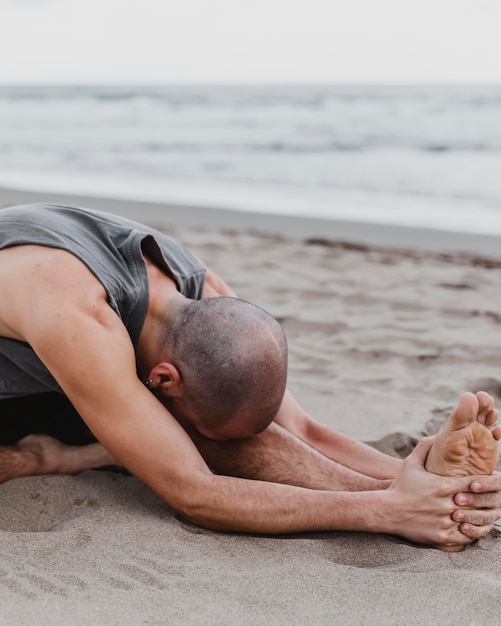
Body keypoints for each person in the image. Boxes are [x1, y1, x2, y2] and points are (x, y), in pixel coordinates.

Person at [0, 203, 500, 551]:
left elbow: (305, 430)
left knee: (214, 423)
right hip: (27, 374)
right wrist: (385, 514)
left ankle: (411, 486)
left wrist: (416, 484)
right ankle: (67, 456)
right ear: (164, 376)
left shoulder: (207, 291)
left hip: (55, 375)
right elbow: (193, 493)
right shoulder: (76, 313)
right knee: (188, 441)